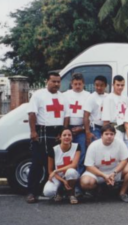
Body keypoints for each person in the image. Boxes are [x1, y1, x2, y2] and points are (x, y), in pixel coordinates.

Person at [26, 72, 70, 203]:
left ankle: (57, 192)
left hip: (57, 132)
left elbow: (66, 116)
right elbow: (32, 113)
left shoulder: (63, 97)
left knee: (56, 163)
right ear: (47, 81)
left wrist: (63, 131)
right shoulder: (38, 95)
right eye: (54, 81)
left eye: (58, 82)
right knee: (37, 163)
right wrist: (33, 131)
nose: (56, 84)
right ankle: (32, 192)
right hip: (42, 131)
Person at [80, 125, 128, 203]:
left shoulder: (119, 142)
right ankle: (98, 189)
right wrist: (104, 176)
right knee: (85, 182)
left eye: (111, 134)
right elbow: (88, 166)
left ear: (114, 135)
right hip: (98, 172)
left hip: (114, 171)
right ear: (101, 135)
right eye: (106, 134)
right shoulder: (93, 145)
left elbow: (125, 160)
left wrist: (114, 173)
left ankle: (122, 193)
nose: (109, 136)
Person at [43, 128, 81, 204]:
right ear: (60, 137)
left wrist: (56, 170)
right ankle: (60, 191)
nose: (67, 137)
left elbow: (74, 165)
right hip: (58, 176)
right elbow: (50, 171)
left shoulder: (77, 146)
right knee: (48, 192)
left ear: (72, 137)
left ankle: (71, 194)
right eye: (64, 135)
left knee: (71, 172)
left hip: (70, 175)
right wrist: (63, 181)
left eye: (69, 135)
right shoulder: (53, 150)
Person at [63, 73, 90, 175]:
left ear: (83, 84)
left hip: (82, 129)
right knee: (67, 153)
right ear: (71, 84)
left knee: (81, 153)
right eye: (75, 84)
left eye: (80, 84)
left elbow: (89, 115)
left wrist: (82, 128)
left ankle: (78, 179)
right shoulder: (66, 95)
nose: (77, 86)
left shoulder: (88, 95)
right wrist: (66, 129)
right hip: (68, 129)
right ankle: (67, 178)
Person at [101, 75, 128, 144]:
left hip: (125, 130)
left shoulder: (125, 99)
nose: (120, 87)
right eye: (118, 85)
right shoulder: (108, 99)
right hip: (115, 130)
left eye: (122, 85)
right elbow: (106, 120)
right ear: (113, 85)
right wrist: (108, 134)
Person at [84, 75, 108, 147]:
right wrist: (87, 132)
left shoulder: (108, 97)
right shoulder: (91, 97)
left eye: (101, 85)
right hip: (95, 128)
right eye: (97, 85)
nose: (99, 87)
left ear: (105, 85)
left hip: (106, 128)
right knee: (97, 147)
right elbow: (86, 116)